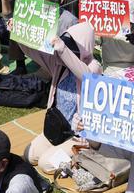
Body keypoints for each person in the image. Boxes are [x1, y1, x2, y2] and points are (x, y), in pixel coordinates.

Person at [20, 20, 99, 174]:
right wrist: (19, 35)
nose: (68, 48)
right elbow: (33, 52)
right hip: (57, 129)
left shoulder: (93, 66)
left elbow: (85, 76)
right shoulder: (58, 63)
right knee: (29, 156)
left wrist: (63, 49)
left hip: (78, 136)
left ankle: (83, 156)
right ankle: (59, 151)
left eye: (72, 45)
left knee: (46, 164)